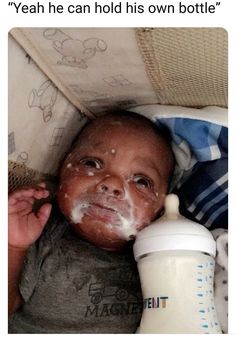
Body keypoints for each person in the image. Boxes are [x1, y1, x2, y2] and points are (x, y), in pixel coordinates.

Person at [8, 111, 174, 333]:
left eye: (141, 181)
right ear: (61, 170)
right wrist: (13, 246)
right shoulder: (46, 236)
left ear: (161, 208)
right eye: (92, 163)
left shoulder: (161, 258)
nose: (112, 184)